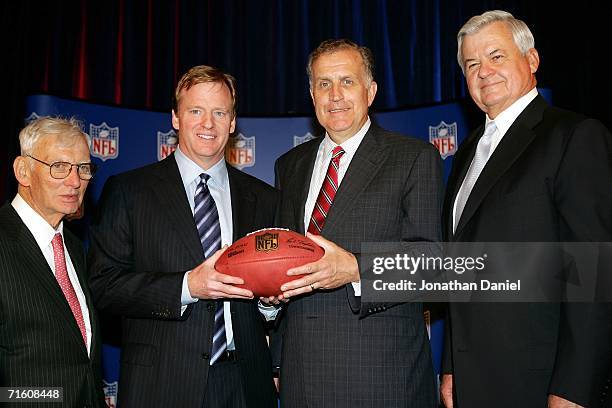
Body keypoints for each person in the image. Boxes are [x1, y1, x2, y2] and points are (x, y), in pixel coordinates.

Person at [440, 10, 612, 408]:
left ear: (531, 61)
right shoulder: (467, 152)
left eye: (496, 56)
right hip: (474, 381)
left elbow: (595, 273)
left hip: (541, 383)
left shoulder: (574, 137)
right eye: (471, 63)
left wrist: (573, 389)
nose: (484, 71)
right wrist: (451, 367)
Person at [88, 65, 278, 408]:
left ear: (233, 123)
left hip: (246, 385)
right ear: (175, 118)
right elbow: (104, 287)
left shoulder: (265, 199)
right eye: (196, 111)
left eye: (219, 112)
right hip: (161, 383)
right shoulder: (130, 191)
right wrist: (188, 286)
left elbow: (276, 299)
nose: (208, 123)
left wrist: (268, 305)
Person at [274, 39, 442, 407]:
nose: (335, 95)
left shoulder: (413, 158)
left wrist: (355, 268)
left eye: (347, 81)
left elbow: (431, 262)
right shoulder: (290, 165)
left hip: (381, 378)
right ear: (311, 93)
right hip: (300, 379)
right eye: (323, 84)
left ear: (371, 90)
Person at [0, 117, 106, 407]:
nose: (75, 181)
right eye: (59, 167)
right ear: (23, 170)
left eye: (83, 169)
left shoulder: (72, 246)